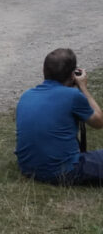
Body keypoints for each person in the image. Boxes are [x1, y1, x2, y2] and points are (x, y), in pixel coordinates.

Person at [15, 48, 103, 185]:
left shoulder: (26, 95)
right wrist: (83, 88)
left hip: (28, 169)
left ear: (44, 71)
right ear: (73, 74)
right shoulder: (72, 96)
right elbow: (99, 122)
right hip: (62, 171)